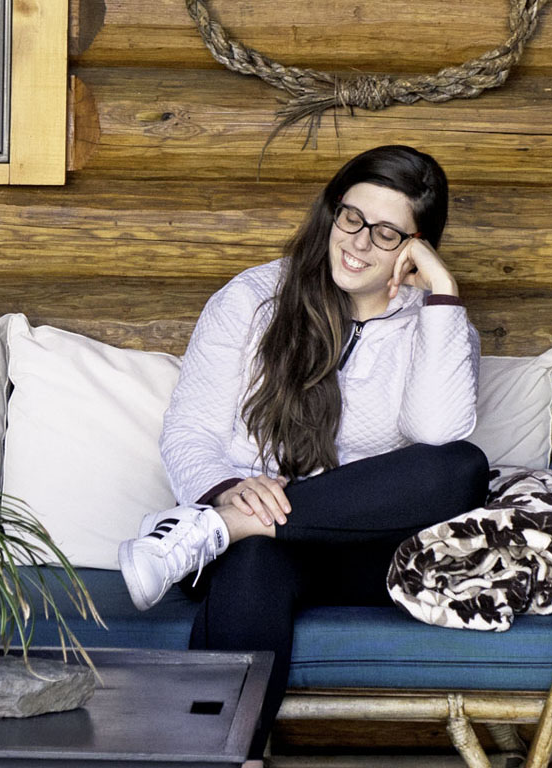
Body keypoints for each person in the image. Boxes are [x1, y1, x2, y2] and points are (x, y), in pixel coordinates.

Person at [118, 145, 490, 758]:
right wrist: (224, 492)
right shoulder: (254, 298)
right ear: (330, 211)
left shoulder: (438, 324)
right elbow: (188, 432)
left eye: (388, 232)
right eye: (351, 217)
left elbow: (440, 434)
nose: (360, 243)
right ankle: (227, 754)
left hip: (362, 555)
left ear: (417, 247)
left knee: (462, 465)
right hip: (260, 550)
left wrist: (443, 293)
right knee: (255, 560)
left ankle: (212, 532)